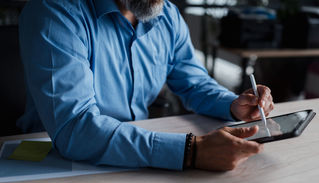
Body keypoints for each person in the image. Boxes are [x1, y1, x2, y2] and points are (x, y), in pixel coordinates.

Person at [17, 0, 274, 171]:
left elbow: (194, 82)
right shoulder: (54, 12)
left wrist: (232, 105)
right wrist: (189, 151)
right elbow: (75, 127)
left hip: (134, 151)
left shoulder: (167, 15)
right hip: (53, 157)